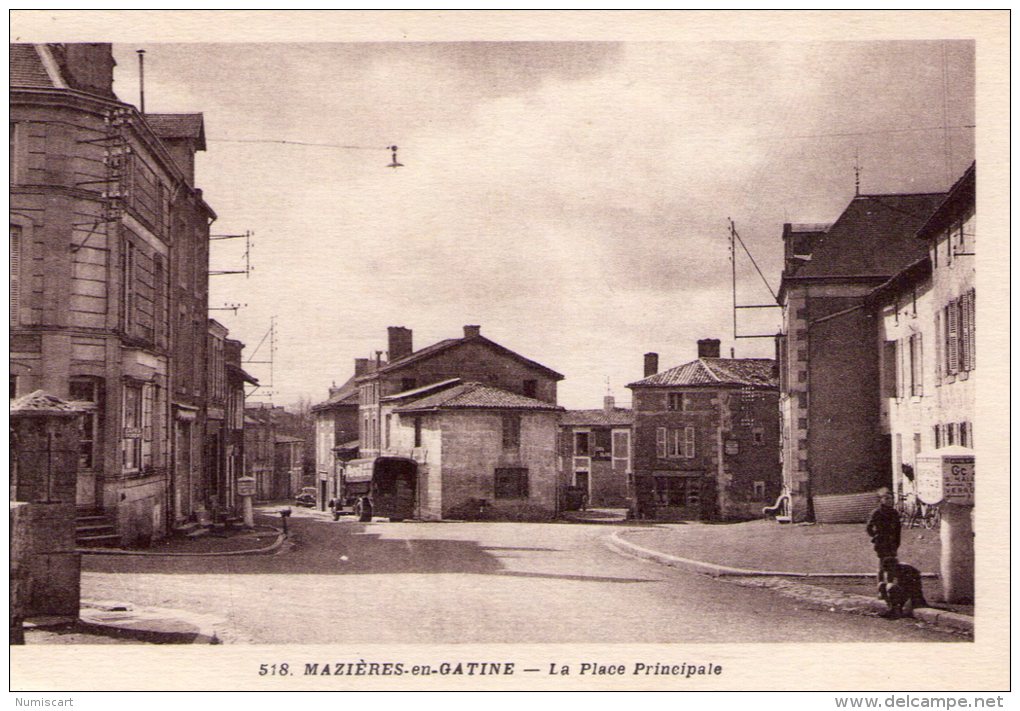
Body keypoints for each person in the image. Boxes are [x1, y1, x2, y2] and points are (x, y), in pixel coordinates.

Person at [865, 488, 901, 580]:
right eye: (886, 499)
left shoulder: (894, 513)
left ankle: (890, 585)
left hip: (892, 541)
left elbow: (898, 529)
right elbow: (869, 527)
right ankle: (881, 586)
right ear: (881, 500)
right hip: (881, 541)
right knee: (882, 563)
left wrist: (897, 541)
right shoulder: (877, 512)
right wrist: (875, 536)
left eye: (891, 499)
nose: (889, 501)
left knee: (892, 563)